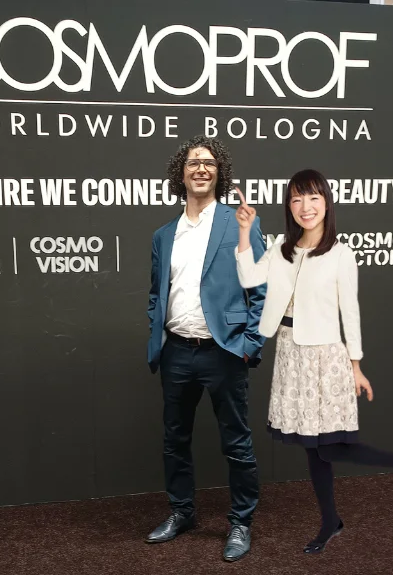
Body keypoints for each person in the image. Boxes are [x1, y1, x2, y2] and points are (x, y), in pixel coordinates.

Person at [232, 169, 393, 554]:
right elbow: (248, 278)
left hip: (326, 356)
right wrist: (245, 231)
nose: (305, 207)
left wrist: (356, 365)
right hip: (290, 351)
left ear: (326, 202)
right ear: (289, 206)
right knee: (314, 448)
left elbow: (349, 311)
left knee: (330, 446)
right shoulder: (280, 247)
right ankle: (330, 521)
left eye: (313, 198)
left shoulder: (341, 254)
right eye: (296, 199)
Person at [145, 135, 268, 562]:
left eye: (209, 163)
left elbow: (261, 288)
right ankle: (182, 514)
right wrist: (156, 332)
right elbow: (156, 293)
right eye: (193, 162)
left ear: (220, 173)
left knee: (236, 444)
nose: (201, 168)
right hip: (177, 351)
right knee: (174, 440)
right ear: (181, 174)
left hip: (225, 352)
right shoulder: (164, 234)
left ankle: (240, 523)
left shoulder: (239, 223)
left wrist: (249, 345)